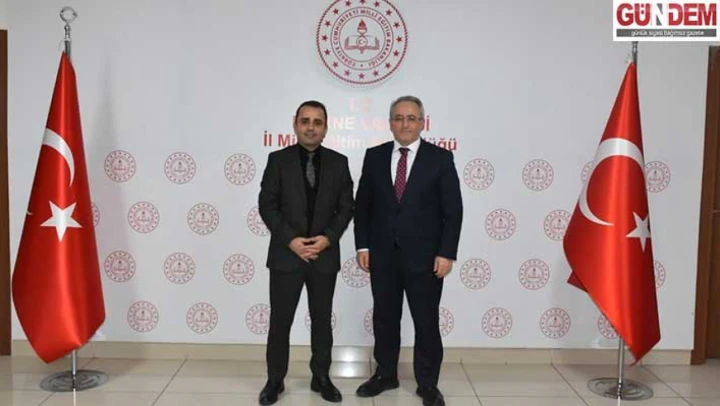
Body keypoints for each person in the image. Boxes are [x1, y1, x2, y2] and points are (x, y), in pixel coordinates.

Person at [353, 96, 463, 406]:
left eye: (412, 118)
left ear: (422, 123)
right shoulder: (374, 156)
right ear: (390, 123)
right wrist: (363, 245)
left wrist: (446, 253)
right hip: (382, 256)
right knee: (385, 319)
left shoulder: (440, 158)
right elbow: (363, 207)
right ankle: (386, 374)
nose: (405, 124)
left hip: (426, 260)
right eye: (399, 118)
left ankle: (427, 383)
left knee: (426, 321)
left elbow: (453, 211)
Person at [257, 100, 354, 405]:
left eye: (317, 122)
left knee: (322, 321)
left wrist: (328, 239)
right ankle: (275, 380)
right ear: (295, 123)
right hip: (287, 256)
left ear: (326, 128)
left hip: (324, 256)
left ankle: (321, 377)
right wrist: (291, 241)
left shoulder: (339, 163)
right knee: (280, 322)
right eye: (305, 121)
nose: (311, 128)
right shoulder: (277, 160)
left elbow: (346, 207)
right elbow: (267, 205)